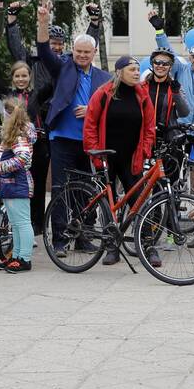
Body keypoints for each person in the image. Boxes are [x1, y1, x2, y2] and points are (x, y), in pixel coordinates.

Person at [36, 1, 111, 254]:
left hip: (88, 142)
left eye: (86, 52)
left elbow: (111, 107)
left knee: (86, 192)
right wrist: (43, 21)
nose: (81, 56)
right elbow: (44, 51)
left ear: (94, 52)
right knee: (59, 189)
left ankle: (82, 235)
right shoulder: (63, 67)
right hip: (61, 139)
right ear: (72, 51)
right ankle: (59, 240)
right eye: (78, 51)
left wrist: (92, 109)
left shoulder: (103, 78)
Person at [82, 56, 157, 266]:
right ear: (119, 72)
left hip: (131, 159)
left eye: (137, 70)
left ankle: (149, 246)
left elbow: (150, 127)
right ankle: (111, 247)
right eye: (132, 69)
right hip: (106, 158)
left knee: (139, 202)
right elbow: (90, 124)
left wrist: (144, 151)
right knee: (110, 204)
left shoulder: (142, 94)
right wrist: (94, 152)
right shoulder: (103, 93)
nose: (136, 73)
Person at [0, 28, 48, 235]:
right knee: (12, 186)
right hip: (13, 148)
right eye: (18, 76)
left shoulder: (37, 94)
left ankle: (36, 225)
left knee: (37, 187)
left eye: (25, 76)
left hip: (36, 147)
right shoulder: (7, 94)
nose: (21, 79)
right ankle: (11, 224)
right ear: (13, 78)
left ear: (30, 77)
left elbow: (56, 79)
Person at [151, 12, 194, 187]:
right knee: (176, 170)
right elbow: (168, 52)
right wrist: (159, 30)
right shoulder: (182, 70)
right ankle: (174, 203)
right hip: (181, 129)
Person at [0, 98, 37, 273]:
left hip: (18, 185)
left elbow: (23, 158)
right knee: (16, 224)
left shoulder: (18, 136)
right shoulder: (14, 135)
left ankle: (24, 258)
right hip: (11, 185)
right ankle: (16, 256)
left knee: (22, 223)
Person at [144, 48, 191, 139]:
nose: (161, 65)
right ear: (152, 63)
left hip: (167, 137)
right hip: (145, 137)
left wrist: (176, 93)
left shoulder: (175, 87)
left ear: (171, 66)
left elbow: (184, 113)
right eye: (157, 62)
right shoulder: (142, 86)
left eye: (166, 63)